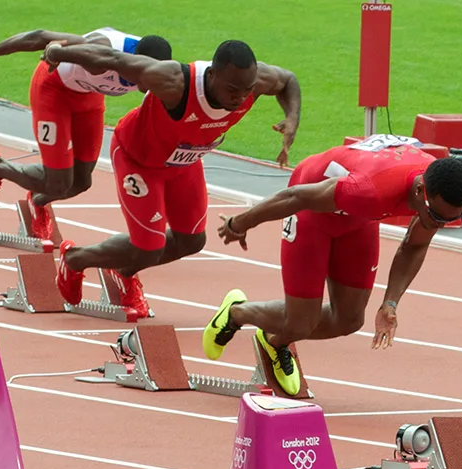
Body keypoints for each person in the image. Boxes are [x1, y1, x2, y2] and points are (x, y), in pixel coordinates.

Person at [202, 136, 462, 394]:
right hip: (313, 211)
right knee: (300, 323)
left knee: (349, 320)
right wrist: (240, 223)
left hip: (357, 218)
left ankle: (275, 342)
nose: (440, 224)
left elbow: (414, 245)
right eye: (437, 216)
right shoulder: (371, 190)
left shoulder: (438, 187)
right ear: (418, 190)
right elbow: (295, 196)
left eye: (450, 219)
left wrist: (390, 303)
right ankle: (236, 313)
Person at [50, 39, 300, 320]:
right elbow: (113, 58)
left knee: (191, 242)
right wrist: (59, 52)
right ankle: (75, 259)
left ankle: (122, 270)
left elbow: (288, 80)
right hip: (138, 159)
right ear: (213, 75)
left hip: (184, 163)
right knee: (148, 249)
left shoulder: (256, 81)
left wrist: (292, 118)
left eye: (247, 90)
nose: (240, 98)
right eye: (232, 90)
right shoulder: (175, 82)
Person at [0, 27, 173, 233]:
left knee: (81, 182)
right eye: (147, 76)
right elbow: (40, 37)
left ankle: (37, 201)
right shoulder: (100, 51)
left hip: (89, 98)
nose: (151, 84)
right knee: (59, 182)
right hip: (53, 91)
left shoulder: (164, 74)